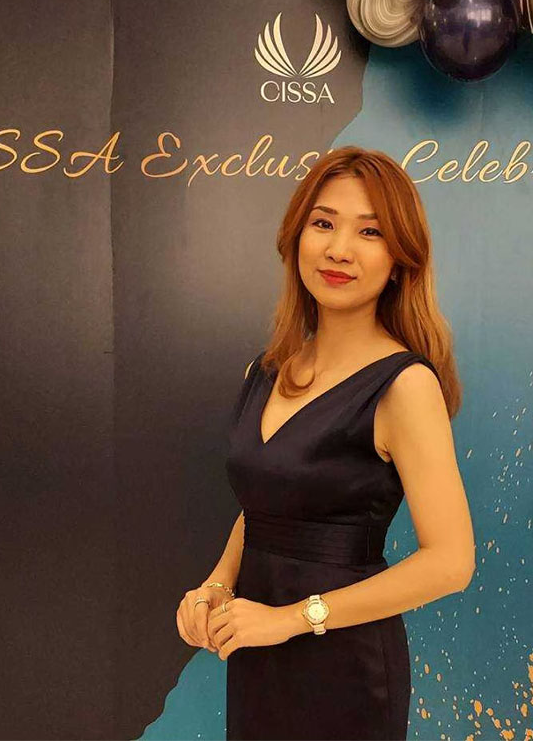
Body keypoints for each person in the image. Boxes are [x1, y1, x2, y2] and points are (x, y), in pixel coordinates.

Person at [175, 145, 474, 741]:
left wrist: (292, 619)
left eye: (370, 231)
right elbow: (264, 509)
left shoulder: (405, 384)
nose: (339, 249)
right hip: (258, 657)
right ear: (296, 239)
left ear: (399, 259)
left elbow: (451, 563)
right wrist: (215, 586)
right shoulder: (264, 372)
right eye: (323, 223)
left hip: (345, 670)